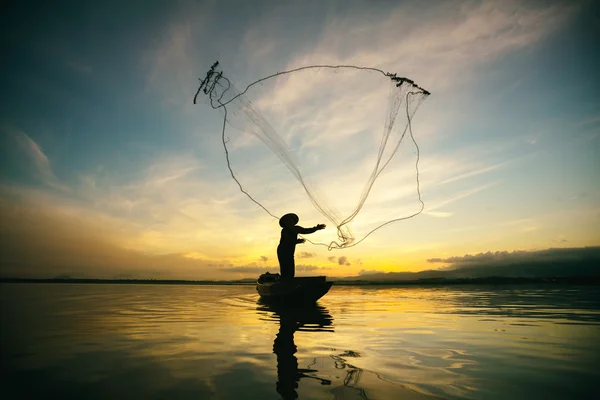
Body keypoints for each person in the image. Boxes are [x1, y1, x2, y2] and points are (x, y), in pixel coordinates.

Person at [277, 213, 326, 279]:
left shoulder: (296, 228)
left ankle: (288, 283)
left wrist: (316, 228)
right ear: (285, 223)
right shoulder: (284, 230)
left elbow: (306, 230)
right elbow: (287, 241)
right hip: (282, 251)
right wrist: (296, 241)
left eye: (292, 220)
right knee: (285, 269)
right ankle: (284, 283)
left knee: (290, 271)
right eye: (288, 221)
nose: (290, 222)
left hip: (290, 252)